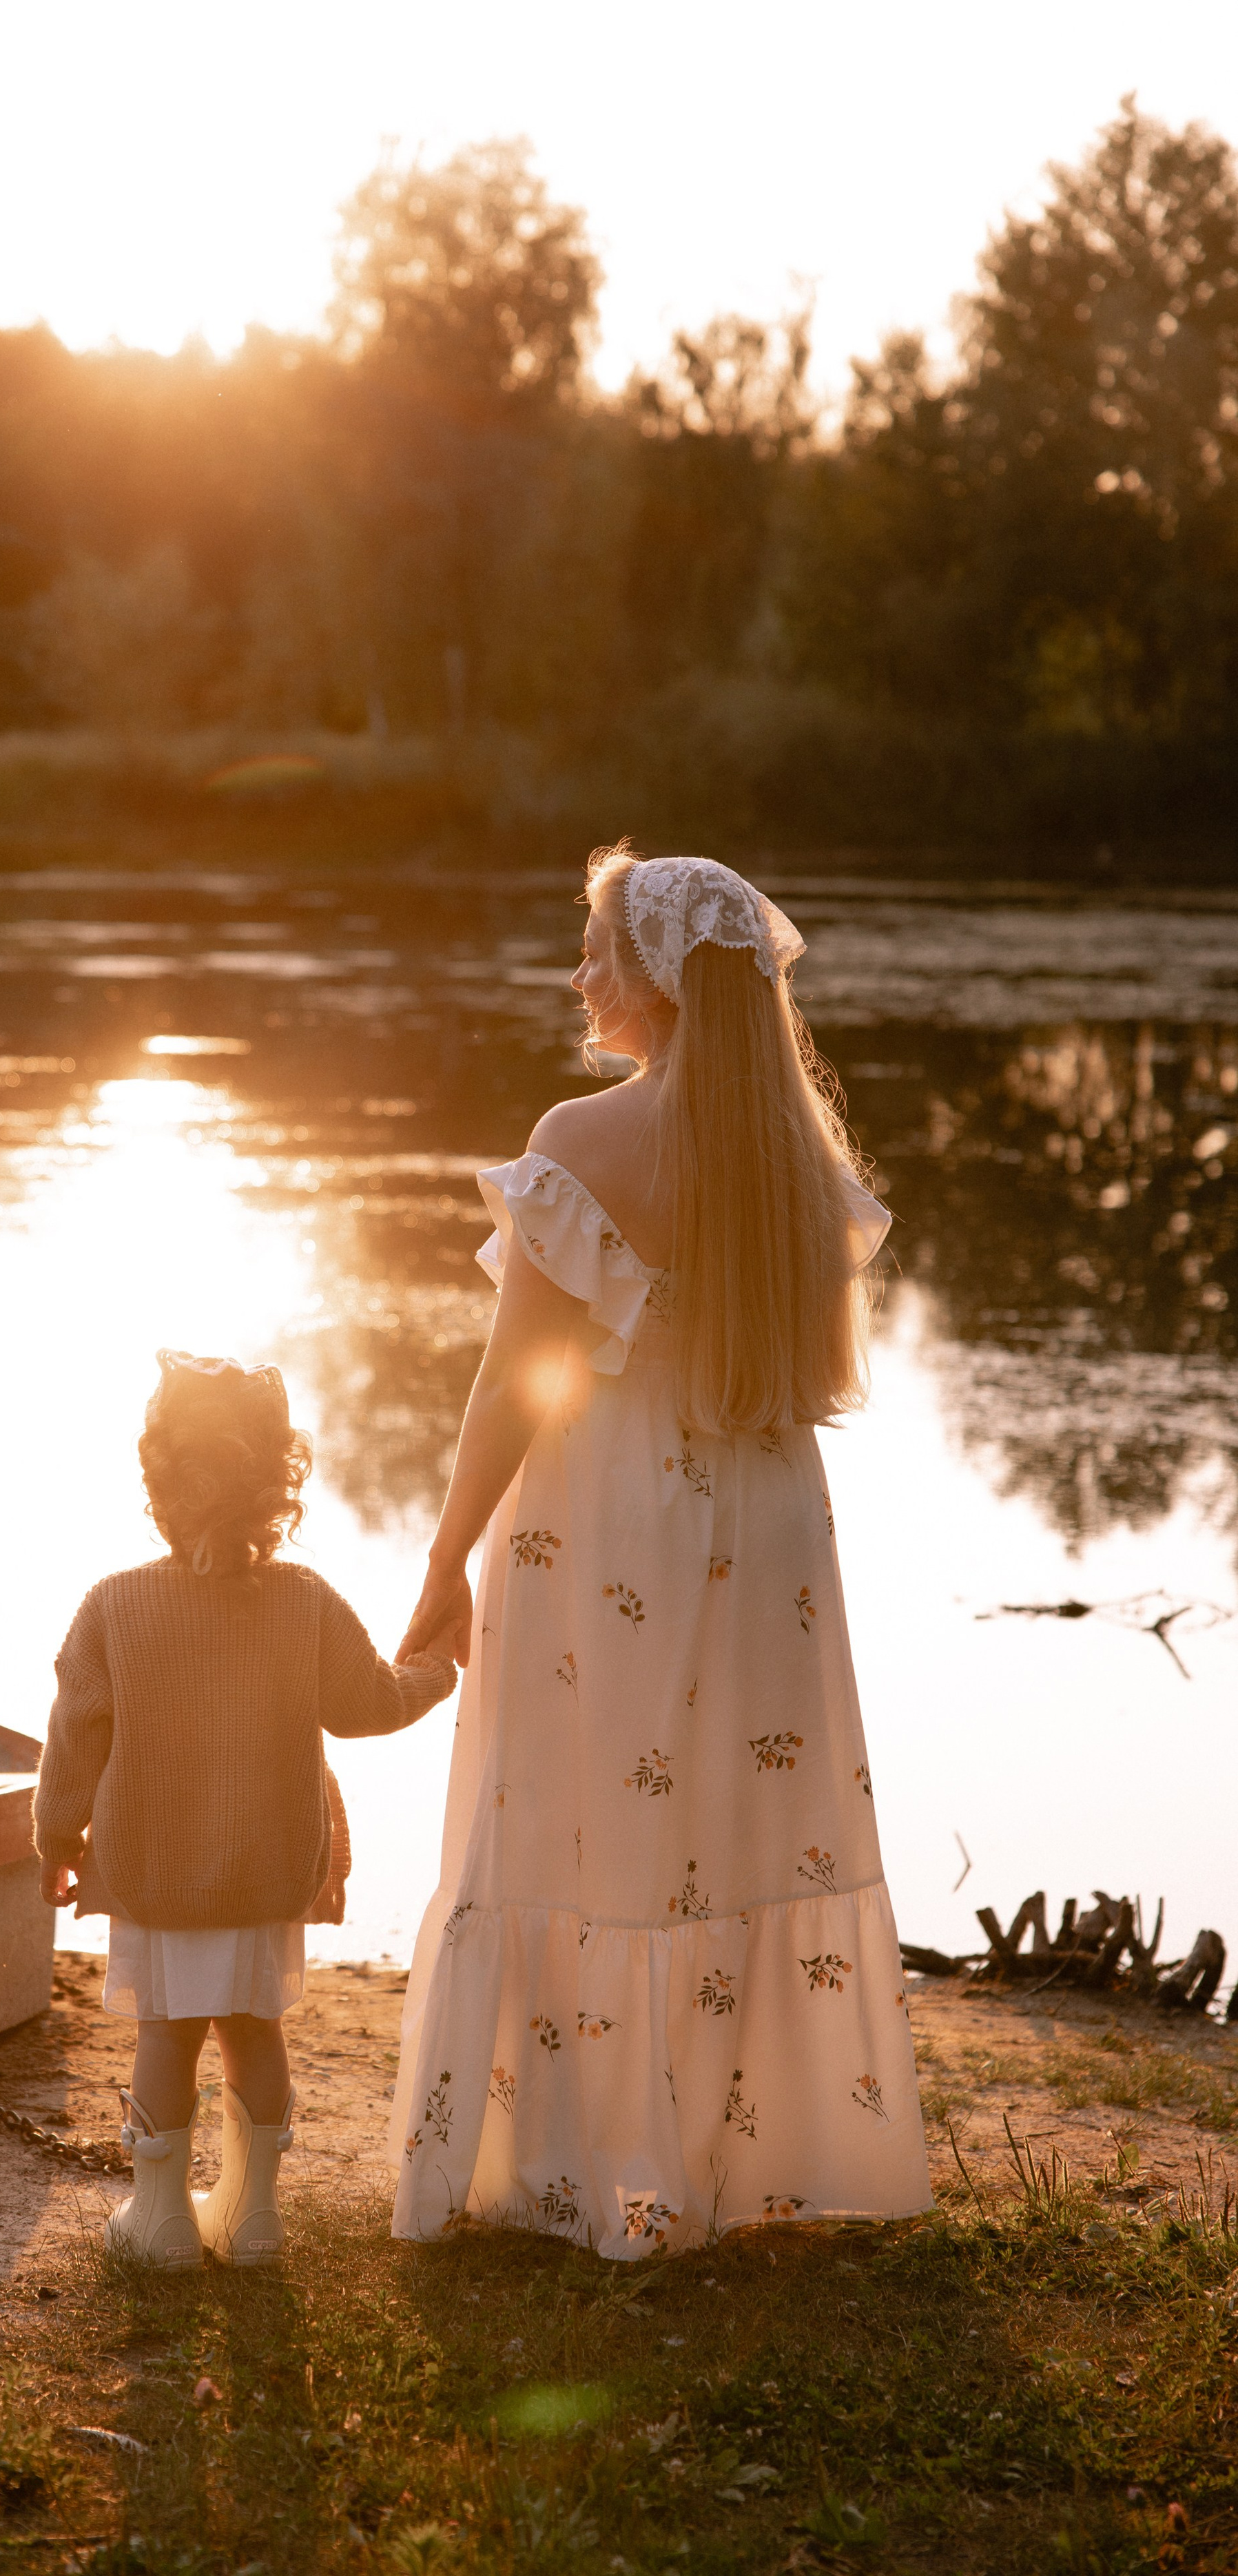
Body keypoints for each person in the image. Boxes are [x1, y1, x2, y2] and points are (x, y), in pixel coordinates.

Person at [389, 851, 932, 2255]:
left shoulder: (578, 1142)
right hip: (760, 1512)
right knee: (714, 1823)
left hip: (608, 1508)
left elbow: (513, 1384)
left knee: (587, 1810)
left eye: (597, 952)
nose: (579, 978)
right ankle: (725, 2151)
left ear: (660, 982)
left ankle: (577, 2150)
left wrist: (444, 1555)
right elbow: (808, 1376)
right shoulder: (797, 1163)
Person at [33, 1351, 457, 2269]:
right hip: (266, 1872)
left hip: (156, 1869)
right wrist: (435, 1672)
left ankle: (163, 2220)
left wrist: (57, 1838)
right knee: (253, 2030)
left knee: (168, 2033)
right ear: (278, 1482)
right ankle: (254, 2215)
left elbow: (75, 1736)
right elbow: (369, 1702)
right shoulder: (304, 1602)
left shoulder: (113, 1605)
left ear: (157, 1479)